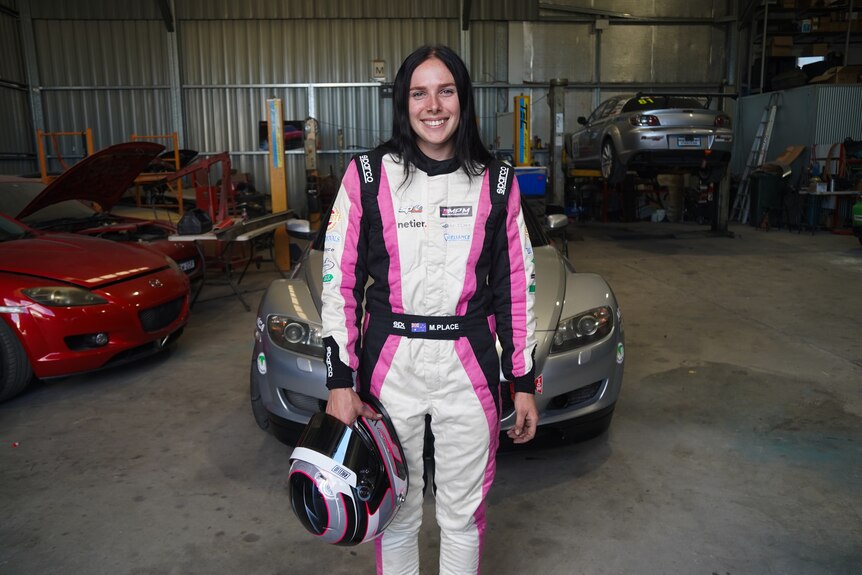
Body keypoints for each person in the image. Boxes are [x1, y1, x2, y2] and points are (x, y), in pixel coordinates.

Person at [320, 44, 538, 575]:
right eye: (420, 93)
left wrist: (524, 381)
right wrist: (339, 382)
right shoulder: (367, 175)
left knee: (461, 516)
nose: (433, 106)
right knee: (395, 513)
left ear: (463, 99)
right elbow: (339, 283)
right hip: (389, 365)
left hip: (470, 366)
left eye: (446, 91)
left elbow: (516, 284)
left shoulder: (498, 180)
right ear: (404, 102)